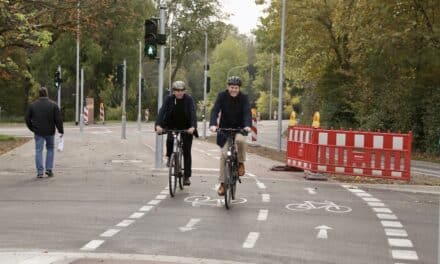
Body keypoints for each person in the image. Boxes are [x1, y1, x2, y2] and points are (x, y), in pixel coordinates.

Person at [209, 76, 252, 196]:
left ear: (239, 88)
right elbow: (215, 110)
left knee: (240, 141)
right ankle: (223, 184)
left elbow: (247, 112)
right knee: (224, 155)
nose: (234, 90)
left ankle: (240, 163)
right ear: (228, 87)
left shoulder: (244, 98)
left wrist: (247, 125)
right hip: (225, 129)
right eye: (232, 87)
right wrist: (213, 124)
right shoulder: (222, 96)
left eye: (236, 88)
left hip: (240, 128)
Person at [155, 81, 198, 186]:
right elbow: (162, 112)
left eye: (181, 91)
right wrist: (158, 125)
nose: (179, 93)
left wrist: (193, 127)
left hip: (187, 128)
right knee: (170, 139)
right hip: (172, 125)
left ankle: (187, 176)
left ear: (184, 91)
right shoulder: (169, 99)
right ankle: (170, 157)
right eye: (177, 91)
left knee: (187, 151)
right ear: (173, 91)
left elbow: (193, 113)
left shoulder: (189, 99)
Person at [25, 87, 64, 178]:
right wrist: (60, 131)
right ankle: (49, 169)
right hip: (50, 132)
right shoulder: (53, 105)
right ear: (47, 94)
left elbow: (27, 118)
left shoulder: (33, 105)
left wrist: (32, 128)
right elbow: (58, 120)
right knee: (50, 149)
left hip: (38, 132)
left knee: (38, 150)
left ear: (39, 94)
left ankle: (40, 172)